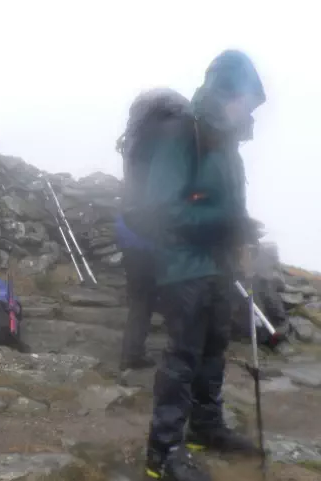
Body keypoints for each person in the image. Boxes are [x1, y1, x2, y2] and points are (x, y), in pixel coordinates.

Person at [138, 50, 267, 481]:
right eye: (244, 98)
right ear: (224, 91)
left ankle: (205, 427)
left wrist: (242, 232)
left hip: (218, 266)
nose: (248, 108)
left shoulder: (228, 146)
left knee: (214, 350)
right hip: (183, 266)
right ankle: (164, 450)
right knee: (183, 356)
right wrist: (224, 222)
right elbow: (160, 210)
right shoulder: (182, 134)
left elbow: (230, 205)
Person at [116, 213, 157, 371]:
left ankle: (131, 353)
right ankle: (133, 354)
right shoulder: (153, 200)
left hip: (131, 254)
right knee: (143, 305)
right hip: (148, 256)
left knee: (139, 304)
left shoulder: (129, 203)